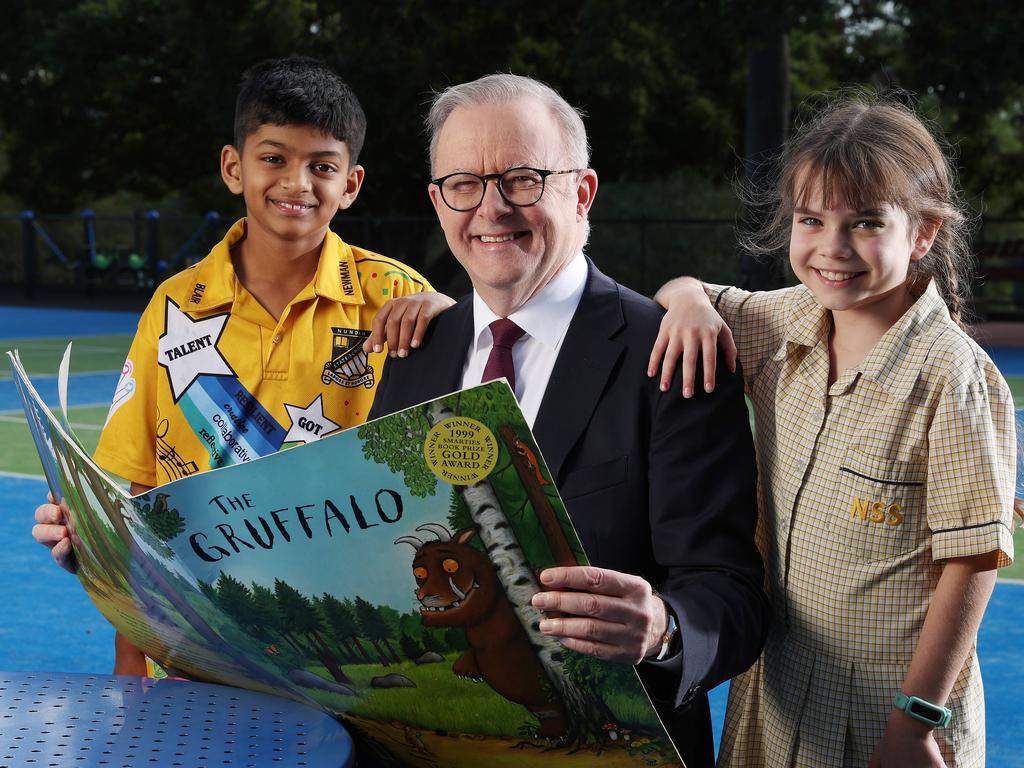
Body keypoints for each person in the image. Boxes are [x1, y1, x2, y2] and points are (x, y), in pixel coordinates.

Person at [366, 73, 770, 768]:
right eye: (464, 184)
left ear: (581, 193)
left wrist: (661, 629)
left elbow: (730, 594)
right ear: (438, 202)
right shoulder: (413, 353)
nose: (491, 208)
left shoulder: (671, 353)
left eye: (522, 179)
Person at [31, 56, 452, 675]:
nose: (296, 183)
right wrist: (129, 657)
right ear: (234, 167)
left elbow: (446, 472)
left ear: (352, 184)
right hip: (198, 641)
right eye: (274, 158)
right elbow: (139, 497)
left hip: (340, 638)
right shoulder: (175, 305)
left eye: (322, 167)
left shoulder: (395, 296)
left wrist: (456, 320)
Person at [650, 94, 1019, 767]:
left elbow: (969, 564)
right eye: (811, 219)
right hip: (778, 690)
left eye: (866, 223)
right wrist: (687, 302)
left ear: (925, 234)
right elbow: (683, 289)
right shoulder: (779, 322)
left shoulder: (950, 376)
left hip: (887, 712)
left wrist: (914, 722)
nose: (832, 247)